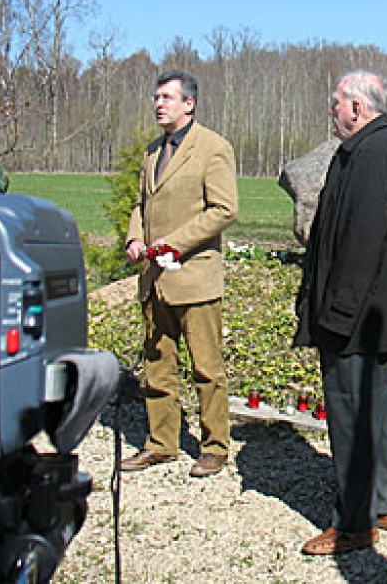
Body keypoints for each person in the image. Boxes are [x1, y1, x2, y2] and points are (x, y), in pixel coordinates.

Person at [294, 70, 387, 555]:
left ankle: (354, 524)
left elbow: (363, 243)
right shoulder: (378, 148)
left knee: (351, 415)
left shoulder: (371, 154)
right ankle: (385, 504)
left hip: (355, 318)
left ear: (357, 107)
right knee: (374, 411)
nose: (330, 111)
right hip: (375, 315)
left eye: (336, 103)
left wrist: (337, 313)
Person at [121, 71, 239, 479]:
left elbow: (224, 209)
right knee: (157, 365)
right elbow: (141, 204)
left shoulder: (213, 148)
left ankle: (214, 447)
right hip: (154, 279)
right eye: (156, 97)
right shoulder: (153, 151)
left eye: (167, 98)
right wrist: (135, 239)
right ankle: (161, 444)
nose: (158, 104)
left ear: (189, 103)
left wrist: (174, 243)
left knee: (206, 369)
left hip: (194, 278)